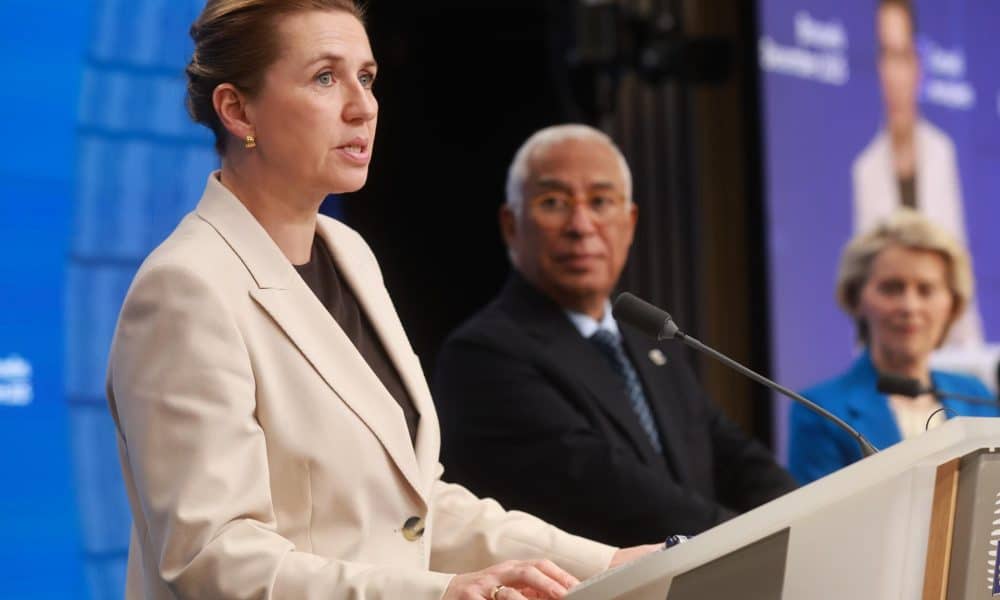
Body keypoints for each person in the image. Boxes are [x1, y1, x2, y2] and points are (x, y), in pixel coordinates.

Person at [105, 3, 658, 599]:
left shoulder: (348, 254)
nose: (362, 105)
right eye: (325, 77)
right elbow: (212, 557)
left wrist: (612, 565)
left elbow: (415, 508)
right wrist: (440, 594)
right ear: (237, 109)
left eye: (366, 78)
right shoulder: (185, 288)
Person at [432, 124, 797, 548]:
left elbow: (732, 457)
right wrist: (755, 542)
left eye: (601, 202)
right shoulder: (484, 355)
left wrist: (804, 515)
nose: (581, 225)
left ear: (630, 221)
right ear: (512, 225)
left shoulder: (650, 340)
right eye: (554, 202)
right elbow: (608, 492)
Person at [788, 209, 999, 485]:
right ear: (856, 298)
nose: (909, 306)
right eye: (891, 288)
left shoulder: (977, 396)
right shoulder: (820, 410)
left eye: (925, 289)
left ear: (953, 304)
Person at [851, 0, 983, 347]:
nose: (894, 73)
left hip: (950, 348)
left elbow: (959, 267)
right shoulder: (865, 169)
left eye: (901, 55)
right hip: (888, 355)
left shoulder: (942, 153)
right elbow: (864, 287)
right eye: (885, 56)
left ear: (918, 66)